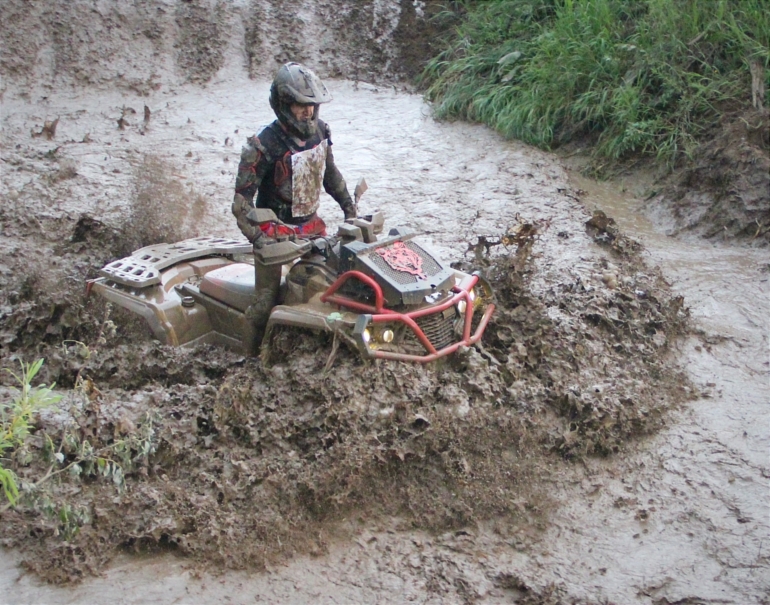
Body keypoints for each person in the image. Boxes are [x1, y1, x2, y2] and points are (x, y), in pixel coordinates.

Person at [232, 62, 356, 350]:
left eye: (312, 105)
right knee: (264, 303)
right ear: (284, 104)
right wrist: (259, 238)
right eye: (301, 106)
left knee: (337, 285)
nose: (308, 112)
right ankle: (248, 359)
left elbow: (330, 175)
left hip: (312, 226)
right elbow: (240, 204)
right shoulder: (262, 146)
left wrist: (349, 209)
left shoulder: (321, 132)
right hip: (273, 233)